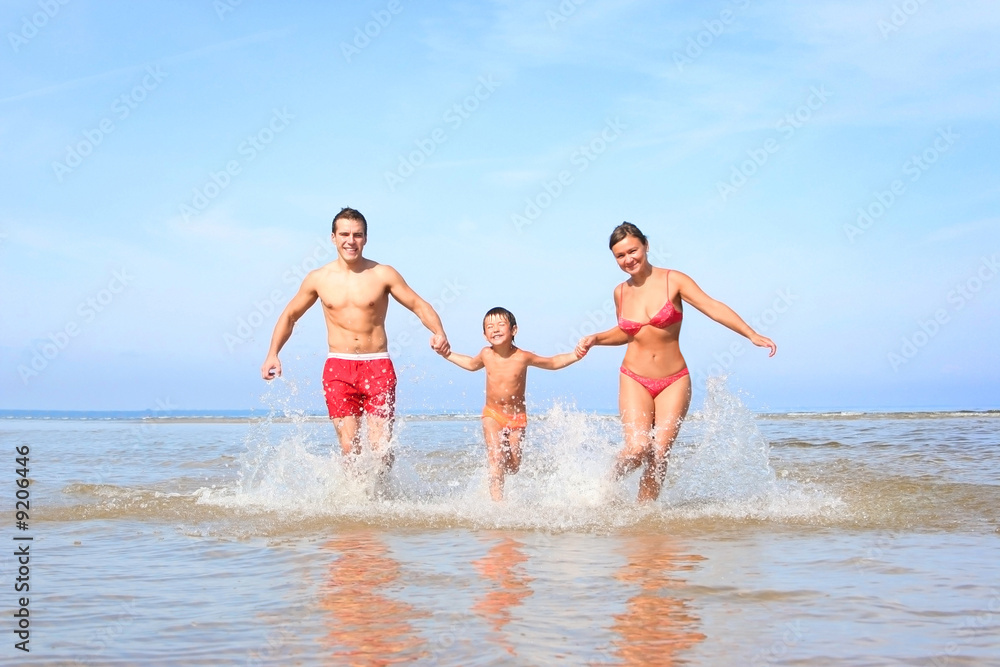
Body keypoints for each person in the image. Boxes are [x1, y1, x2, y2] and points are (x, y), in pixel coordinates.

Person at [576, 222, 776, 502]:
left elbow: (712, 307)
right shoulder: (620, 292)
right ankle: (599, 490)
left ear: (645, 245)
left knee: (658, 454)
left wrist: (751, 334)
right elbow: (628, 331)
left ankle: (644, 518)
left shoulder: (674, 280)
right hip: (634, 377)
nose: (628, 259)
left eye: (632, 250)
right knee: (637, 448)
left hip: (674, 380)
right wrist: (597, 338)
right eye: (620, 256)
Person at [260, 207, 451, 479]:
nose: (351, 241)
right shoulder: (318, 278)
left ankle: (382, 496)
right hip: (339, 368)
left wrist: (438, 331)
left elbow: (418, 304)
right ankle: (356, 507)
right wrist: (273, 353)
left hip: (378, 365)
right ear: (333, 237)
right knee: (350, 449)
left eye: (357, 235)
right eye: (345, 234)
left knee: (381, 447)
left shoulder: (383, 274)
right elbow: (290, 315)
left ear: (365, 238)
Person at [444, 307, 584, 500]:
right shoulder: (486, 354)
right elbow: (470, 364)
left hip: (517, 418)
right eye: (489, 326)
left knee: (513, 467)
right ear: (485, 335)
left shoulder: (523, 356)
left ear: (514, 330)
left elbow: (551, 362)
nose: (495, 329)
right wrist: (447, 354)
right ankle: (497, 505)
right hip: (492, 414)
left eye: (501, 324)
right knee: (496, 458)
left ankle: (500, 480)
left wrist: (575, 355)